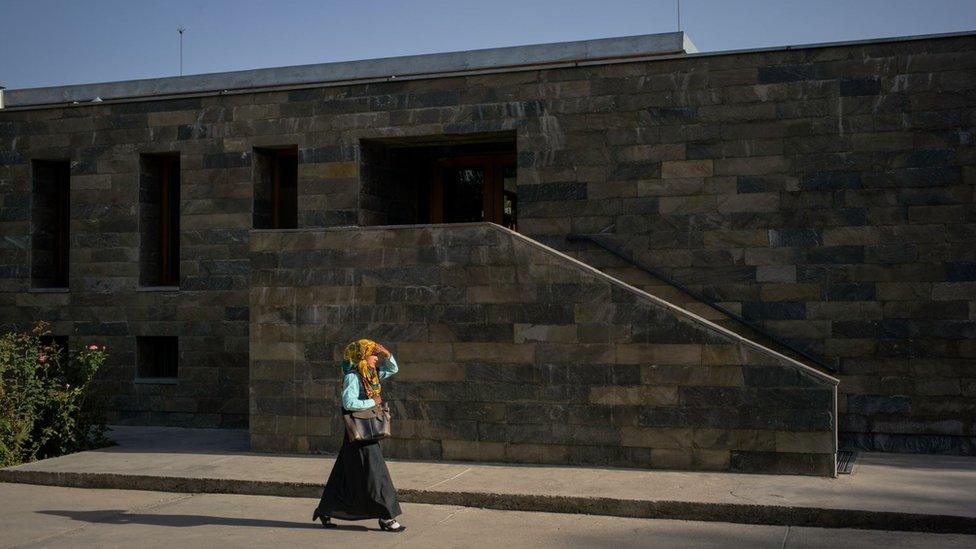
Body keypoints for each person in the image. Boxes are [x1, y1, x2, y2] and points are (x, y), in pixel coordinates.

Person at [312, 339, 405, 532]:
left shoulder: (371, 375)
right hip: (360, 432)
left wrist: (386, 353)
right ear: (363, 357)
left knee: (345, 472)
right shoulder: (353, 377)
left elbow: (393, 368)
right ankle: (386, 517)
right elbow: (348, 403)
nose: (376, 359)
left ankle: (326, 509)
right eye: (373, 355)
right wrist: (372, 402)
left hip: (362, 433)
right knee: (376, 473)